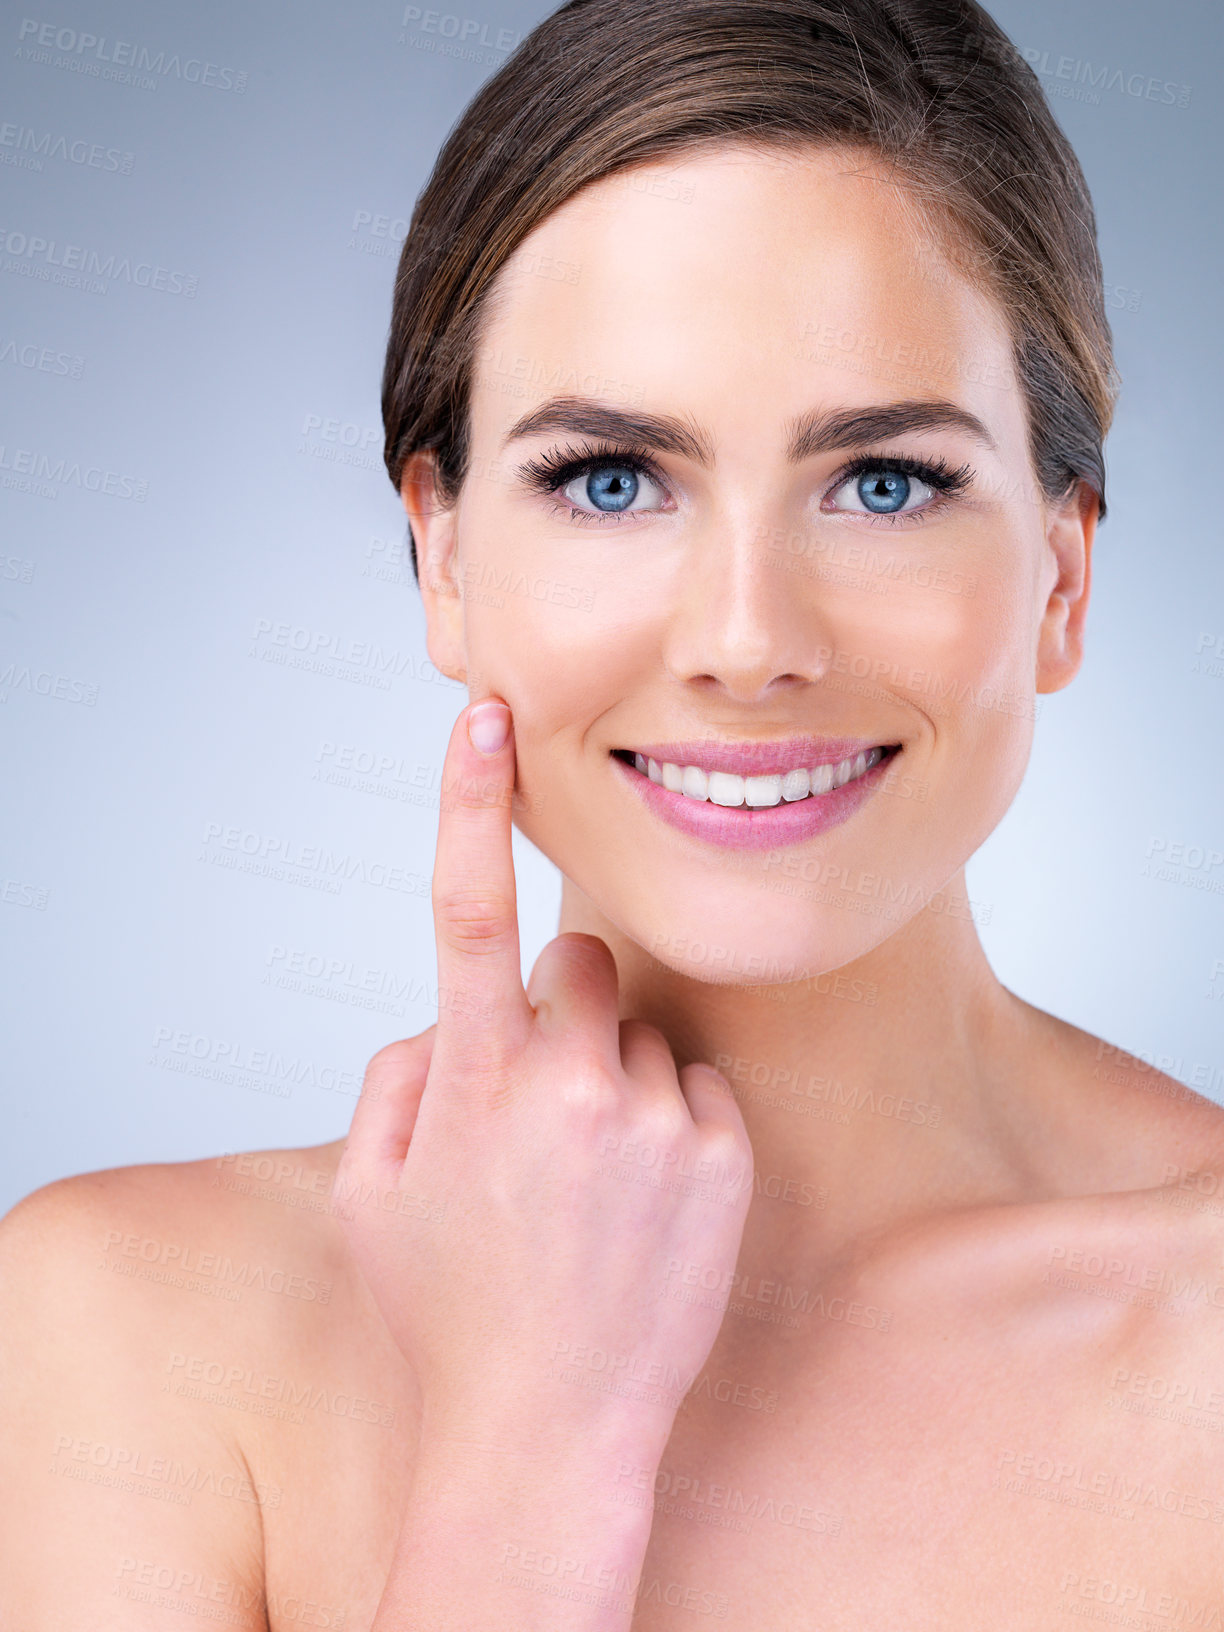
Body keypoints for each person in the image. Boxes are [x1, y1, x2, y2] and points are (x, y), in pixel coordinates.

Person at [3, 0, 1221, 1625]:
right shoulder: (121, 1326)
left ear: (1061, 578)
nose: (746, 642)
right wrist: (530, 1442)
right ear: (441, 556)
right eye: (610, 479)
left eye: (883, 483)